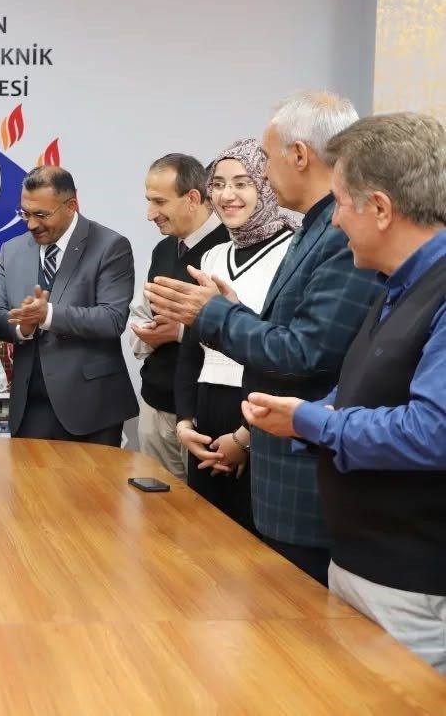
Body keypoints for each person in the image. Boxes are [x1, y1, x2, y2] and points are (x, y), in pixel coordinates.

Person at [145, 91, 381, 585]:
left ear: (298, 156)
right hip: (276, 464)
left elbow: (306, 352)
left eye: (265, 162)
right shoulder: (316, 231)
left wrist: (215, 314)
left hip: (299, 475)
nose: (263, 176)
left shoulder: (334, 235)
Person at [244, 112, 446, 673]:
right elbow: (375, 393)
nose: (333, 223)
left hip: (411, 587)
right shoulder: (397, 285)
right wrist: (315, 413)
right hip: (363, 567)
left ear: (380, 208)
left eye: (340, 204)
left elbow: (434, 433)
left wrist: (313, 421)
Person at [173, 140, 295, 532]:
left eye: (243, 183)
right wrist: (184, 422)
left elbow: (288, 351)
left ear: (267, 186)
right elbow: (192, 347)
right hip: (206, 408)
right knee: (200, 537)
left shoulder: (293, 252)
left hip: (258, 409)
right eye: (219, 184)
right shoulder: (211, 256)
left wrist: (244, 439)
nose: (228, 195)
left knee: (250, 549)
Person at [0, 166, 137, 445]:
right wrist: (23, 327)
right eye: (25, 213)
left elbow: (112, 319)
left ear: (71, 206)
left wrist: (48, 315)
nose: (31, 224)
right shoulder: (12, 250)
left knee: (91, 490)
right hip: (29, 406)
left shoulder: (110, 246)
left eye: (41, 215)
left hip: (91, 407)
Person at [129, 154, 228, 477]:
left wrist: (180, 332)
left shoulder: (230, 248)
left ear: (193, 199)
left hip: (203, 416)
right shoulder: (163, 250)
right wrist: (148, 333)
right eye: (148, 201)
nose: (150, 214)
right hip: (155, 406)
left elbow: (246, 330)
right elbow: (140, 315)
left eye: (159, 202)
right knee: (154, 513)